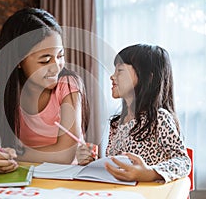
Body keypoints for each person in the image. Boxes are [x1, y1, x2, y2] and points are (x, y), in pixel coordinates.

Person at [0, 7, 89, 173]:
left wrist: (16, 155)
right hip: (22, 175)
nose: (56, 67)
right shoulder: (2, 91)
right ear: (18, 61)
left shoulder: (69, 85)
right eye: (45, 61)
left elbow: (64, 155)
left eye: (60, 56)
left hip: (65, 176)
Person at [76, 44, 191, 183]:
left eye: (120, 70)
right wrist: (92, 163)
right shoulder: (117, 123)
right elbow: (119, 167)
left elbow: (183, 161)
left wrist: (149, 173)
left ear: (147, 77)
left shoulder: (159, 118)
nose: (112, 76)